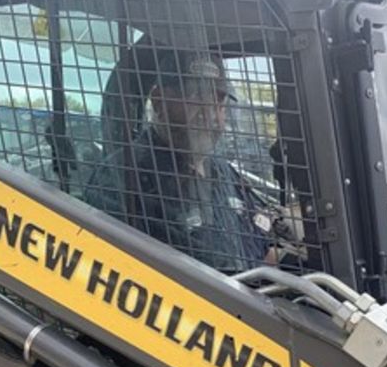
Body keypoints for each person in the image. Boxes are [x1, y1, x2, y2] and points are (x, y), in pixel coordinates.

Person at [86, 48, 272, 273]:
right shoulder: (125, 176)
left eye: (218, 102)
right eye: (196, 98)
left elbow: (265, 248)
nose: (210, 114)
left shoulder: (224, 173)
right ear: (159, 102)